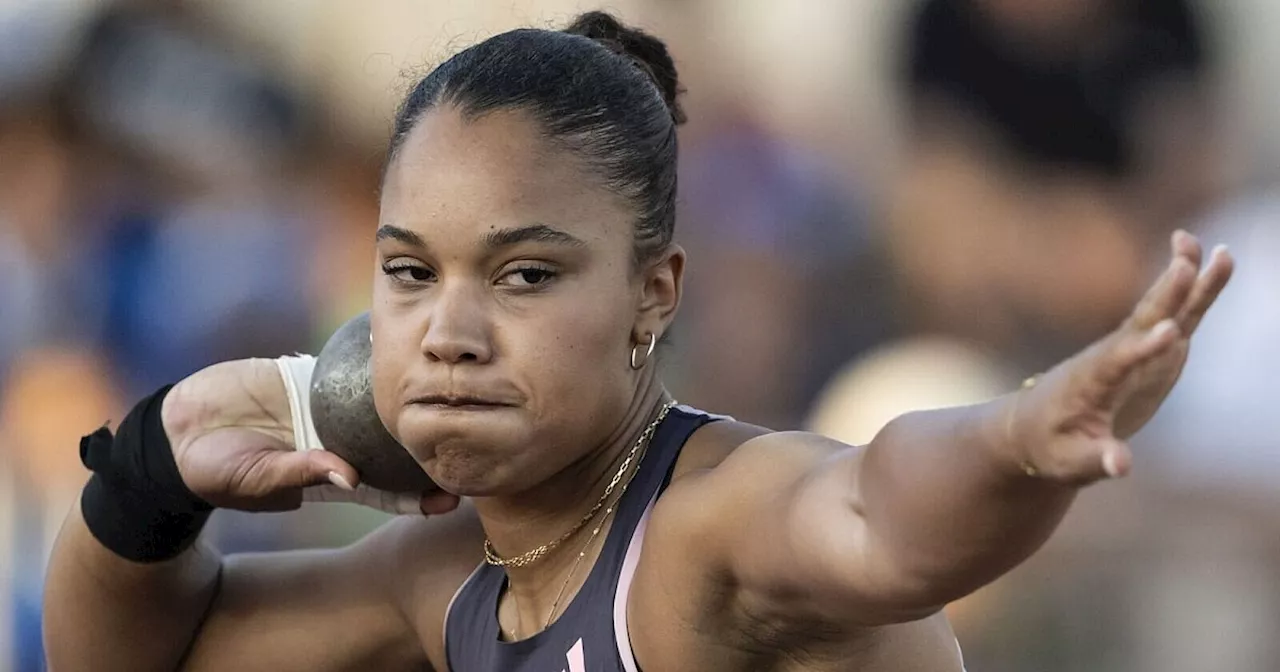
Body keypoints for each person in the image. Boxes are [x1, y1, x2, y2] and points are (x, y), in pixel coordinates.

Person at [43, 11, 1234, 672]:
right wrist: (153, 466)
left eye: (523, 274)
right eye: (409, 272)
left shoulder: (708, 523)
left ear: (652, 296)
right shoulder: (449, 580)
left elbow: (881, 516)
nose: (448, 332)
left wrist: (1025, 434)